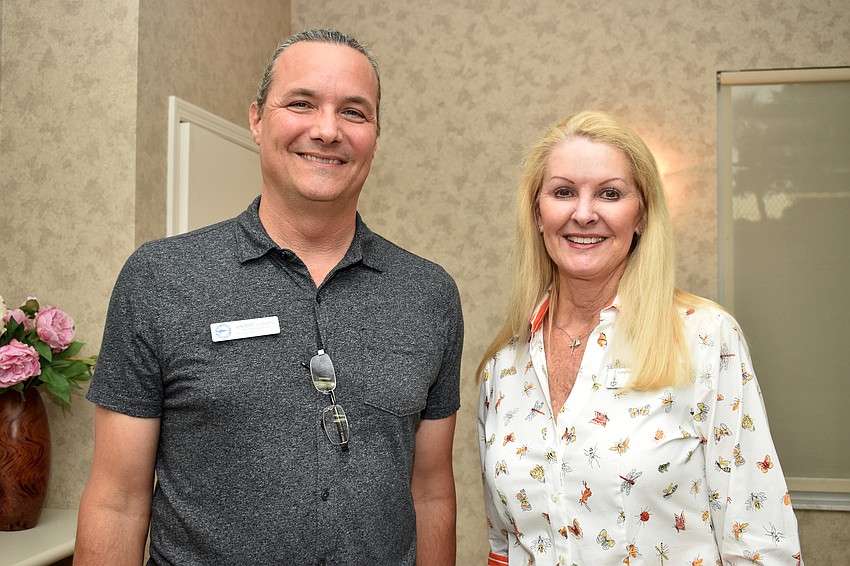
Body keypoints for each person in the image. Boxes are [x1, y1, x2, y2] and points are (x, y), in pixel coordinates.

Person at [76, 28, 462, 566]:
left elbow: (431, 493)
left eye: (354, 112)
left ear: (376, 132)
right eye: (301, 103)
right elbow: (117, 502)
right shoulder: (159, 278)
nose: (327, 130)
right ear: (257, 119)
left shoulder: (429, 295)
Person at [477, 110, 803, 565]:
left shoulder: (705, 339)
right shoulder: (505, 366)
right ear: (537, 213)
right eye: (563, 192)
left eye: (610, 193)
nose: (584, 213)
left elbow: (760, 542)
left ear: (642, 214)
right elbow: (504, 547)